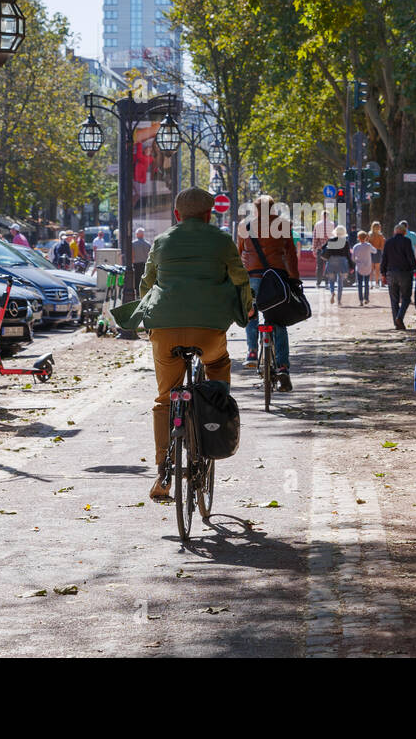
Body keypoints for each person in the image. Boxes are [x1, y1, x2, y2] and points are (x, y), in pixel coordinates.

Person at [137, 188, 251, 503]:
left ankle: (163, 470)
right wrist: (245, 308)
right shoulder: (221, 240)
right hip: (208, 330)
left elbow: (147, 285)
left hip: (165, 330)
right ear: (208, 215)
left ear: (177, 215)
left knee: (164, 399)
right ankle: (215, 416)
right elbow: (240, 278)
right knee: (217, 364)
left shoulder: (161, 242)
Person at [238, 194, 299, 391]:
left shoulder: (245, 226)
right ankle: (282, 366)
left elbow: (238, 254)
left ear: (254, 209)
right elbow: (290, 254)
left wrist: (238, 279)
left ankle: (252, 352)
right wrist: (294, 278)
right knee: (277, 319)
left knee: (251, 312)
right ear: (273, 208)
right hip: (277, 277)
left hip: (253, 276)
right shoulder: (283, 225)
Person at [380, 222, 416, 329]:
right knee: (406, 297)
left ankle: (396, 323)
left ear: (394, 232)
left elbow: (384, 259)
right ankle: (399, 317)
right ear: (404, 232)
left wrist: (383, 273)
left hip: (391, 273)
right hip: (405, 273)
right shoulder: (407, 241)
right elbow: (411, 257)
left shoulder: (388, 242)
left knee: (394, 299)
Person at [320, 225, 351, 305]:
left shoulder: (331, 240)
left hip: (331, 261)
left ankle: (332, 292)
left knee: (331, 281)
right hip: (342, 262)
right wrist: (351, 265)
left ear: (336, 232)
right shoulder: (346, 242)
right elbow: (348, 255)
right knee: (340, 282)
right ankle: (339, 300)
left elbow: (323, 249)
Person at [310, 209, 336, 288]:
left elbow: (315, 238)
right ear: (328, 216)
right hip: (330, 248)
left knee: (319, 266)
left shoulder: (317, 224)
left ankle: (318, 283)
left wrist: (314, 249)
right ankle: (327, 283)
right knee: (328, 266)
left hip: (320, 248)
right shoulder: (332, 224)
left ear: (322, 216)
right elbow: (334, 237)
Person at [350, 230, 376, 306]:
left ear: (358, 238)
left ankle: (361, 300)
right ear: (366, 237)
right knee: (367, 283)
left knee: (360, 284)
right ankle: (366, 298)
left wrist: (357, 262)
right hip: (368, 266)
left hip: (359, 267)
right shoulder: (368, 245)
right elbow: (375, 251)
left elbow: (353, 258)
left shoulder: (356, 246)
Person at [131, 227, 151, 293]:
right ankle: (144, 291)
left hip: (136, 264)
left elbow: (132, 254)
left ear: (137, 234)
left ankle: (137, 292)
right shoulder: (148, 244)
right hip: (145, 264)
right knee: (144, 278)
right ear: (143, 235)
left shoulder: (133, 244)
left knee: (136, 279)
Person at [368, 221, 386, 289]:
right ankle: (377, 283)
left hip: (370, 252)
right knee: (377, 269)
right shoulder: (380, 235)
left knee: (371, 269)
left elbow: (367, 244)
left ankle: (370, 283)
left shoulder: (369, 234)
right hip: (377, 252)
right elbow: (382, 247)